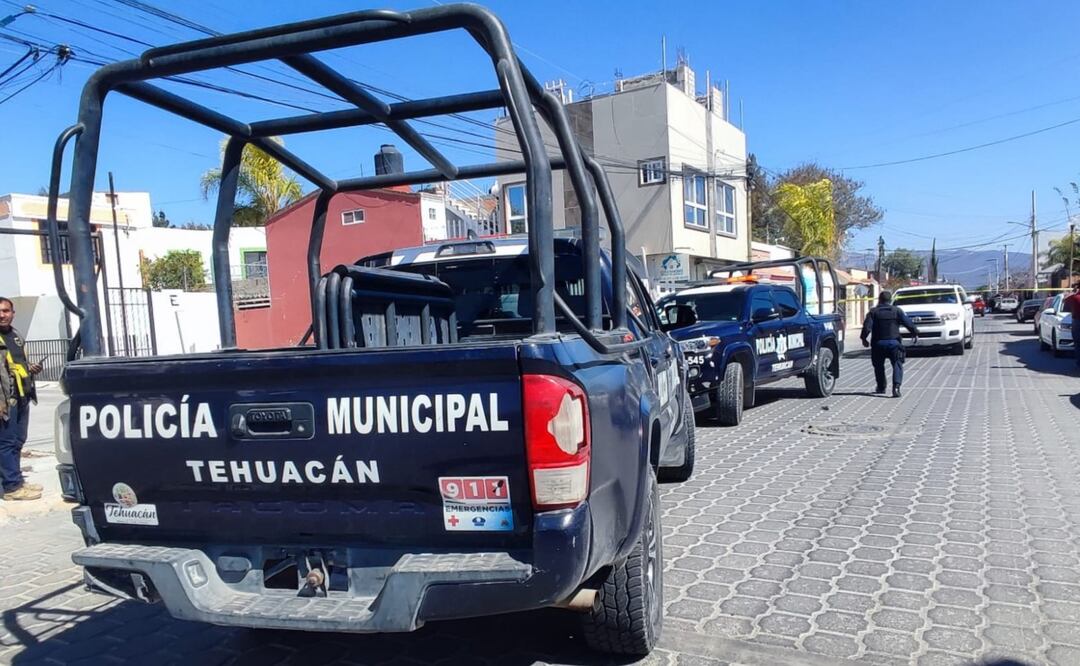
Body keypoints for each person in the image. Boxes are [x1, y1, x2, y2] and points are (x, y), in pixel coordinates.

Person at [0, 298, 43, 501]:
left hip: (23, 395)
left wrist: (30, 368)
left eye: (6, 311)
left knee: (18, 440)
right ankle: (11, 487)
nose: (2, 315)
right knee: (6, 442)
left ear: (13, 313)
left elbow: (18, 363)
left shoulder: (15, 335)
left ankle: (15, 479)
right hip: (6, 399)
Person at [860, 291, 919, 398]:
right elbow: (908, 323)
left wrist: (864, 339)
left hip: (878, 344)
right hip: (894, 344)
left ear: (879, 300)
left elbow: (867, 327)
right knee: (897, 364)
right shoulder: (897, 311)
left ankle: (881, 387)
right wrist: (914, 333)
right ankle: (896, 387)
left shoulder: (873, 312)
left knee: (878, 366)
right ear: (890, 300)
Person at [1064, 284, 1080, 369]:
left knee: (1077, 343)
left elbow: (1065, 299)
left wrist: (1073, 292)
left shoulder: (1074, 297)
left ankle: (1079, 363)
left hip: (1077, 322)